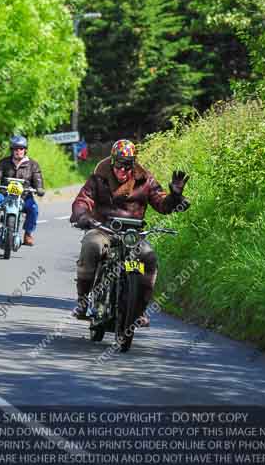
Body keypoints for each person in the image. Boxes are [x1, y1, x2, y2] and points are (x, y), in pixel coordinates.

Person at [70, 139, 189, 326]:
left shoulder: (146, 180)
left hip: (133, 235)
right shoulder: (98, 178)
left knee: (148, 258)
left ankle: (139, 310)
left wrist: (175, 196)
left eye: (128, 165)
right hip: (103, 229)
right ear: (112, 162)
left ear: (133, 164)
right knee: (91, 246)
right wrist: (82, 215)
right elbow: (82, 200)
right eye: (119, 165)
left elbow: (162, 204)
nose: (123, 170)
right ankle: (83, 302)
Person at [0, 135, 45, 246]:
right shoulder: (4, 162)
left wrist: (39, 188)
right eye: (15, 149)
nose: (18, 151)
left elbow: (37, 178)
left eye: (21, 148)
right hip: (4, 194)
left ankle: (28, 234)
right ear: (12, 150)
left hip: (25, 196)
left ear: (25, 150)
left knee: (34, 208)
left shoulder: (33, 164)